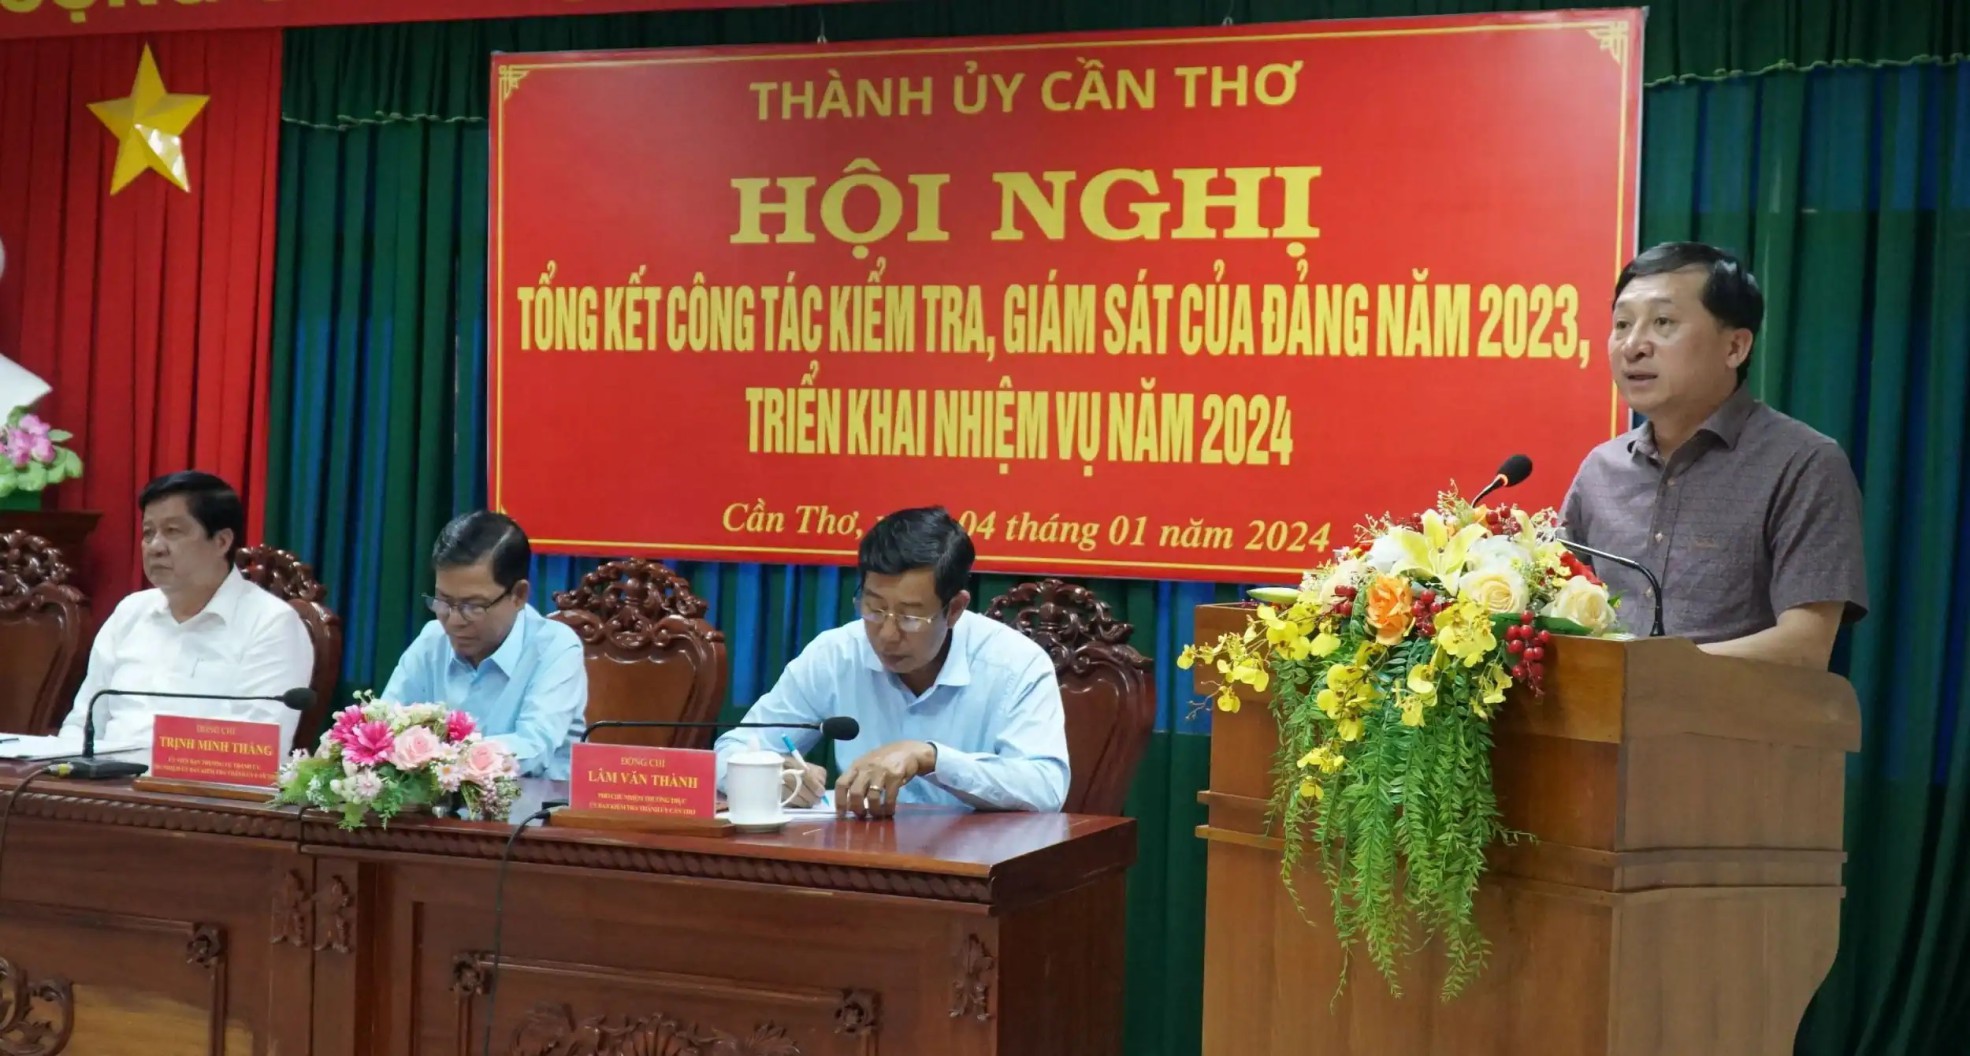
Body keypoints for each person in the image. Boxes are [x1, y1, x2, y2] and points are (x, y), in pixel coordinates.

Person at [1561, 242, 1868, 667]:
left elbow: (1804, 646)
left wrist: (1645, 673)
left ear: (1735, 348)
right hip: (1602, 710)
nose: (1633, 346)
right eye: (1622, 324)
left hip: (1736, 711)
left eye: (1663, 322)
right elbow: (1552, 610)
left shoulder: (1803, 464)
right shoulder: (1601, 470)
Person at [714, 506, 1070, 817]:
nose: (886, 634)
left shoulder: (1014, 665)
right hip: (859, 857)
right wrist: (765, 774)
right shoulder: (836, 654)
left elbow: (1045, 787)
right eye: (874, 608)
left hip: (975, 862)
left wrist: (931, 758)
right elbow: (732, 749)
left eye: (910, 617)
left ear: (955, 609)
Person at [63, 471, 314, 747]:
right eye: (148, 533)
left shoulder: (270, 623)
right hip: (103, 773)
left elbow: (259, 747)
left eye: (173, 531)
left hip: (198, 775)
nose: (155, 547)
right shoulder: (131, 612)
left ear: (221, 541)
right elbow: (83, 722)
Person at [379, 511, 587, 779]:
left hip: (530, 803)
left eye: (473, 606)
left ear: (519, 595)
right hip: (438, 804)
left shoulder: (556, 648)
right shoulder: (433, 639)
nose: (454, 621)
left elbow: (533, 747)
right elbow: (384, 724)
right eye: (443, 601)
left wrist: (439, 761)